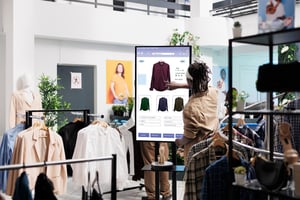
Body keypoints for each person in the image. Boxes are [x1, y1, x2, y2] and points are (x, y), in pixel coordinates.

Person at [116, 103, 171, 200]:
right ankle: (165, 191)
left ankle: (152, 194)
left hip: (147, 132)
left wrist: (120, 129)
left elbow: (133, 120)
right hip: (163, 131)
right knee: (163, 162)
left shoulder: (141, 96)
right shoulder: (163, 95)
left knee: (150, 163)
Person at [173, 61, 219, 165]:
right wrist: (179, 86)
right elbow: (200, 86)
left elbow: (189, 136)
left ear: (189, 81)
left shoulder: (190, 108)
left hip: (196, 156)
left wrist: (179, 142)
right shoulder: (213, 93)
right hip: (213, 149)